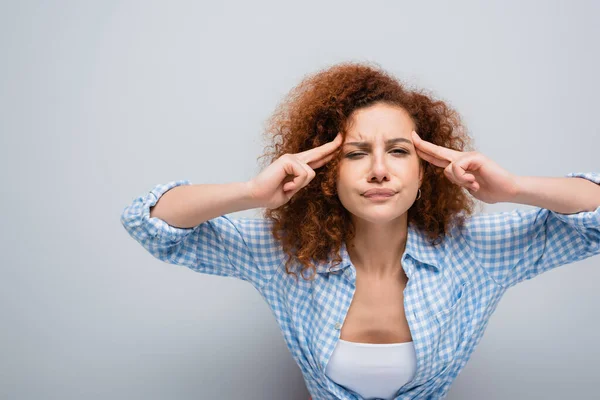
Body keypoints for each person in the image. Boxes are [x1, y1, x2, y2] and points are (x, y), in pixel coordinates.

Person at [120, 61, 600, 400]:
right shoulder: (285, 254)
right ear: (328, 173)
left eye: (398, 151)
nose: (378, 171)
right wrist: (250, 193)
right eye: (355, 153)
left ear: (425, 168)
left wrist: (513, 188)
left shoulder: (476, 252)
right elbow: (152, 225)